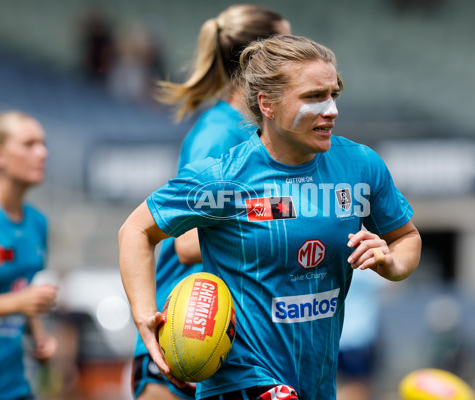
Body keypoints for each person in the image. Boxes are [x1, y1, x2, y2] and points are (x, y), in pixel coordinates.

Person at [119, 35, 422, 400]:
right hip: (243, 379)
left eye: (333, 95)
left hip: (316, 380)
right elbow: (136, 229)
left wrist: (391, 263)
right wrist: (144, 316)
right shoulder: (225, 178)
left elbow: (406, 238)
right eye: (313, 97)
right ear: (268, 105)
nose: (331, 110)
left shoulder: (360, 166)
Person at [131, 5, 291, 400]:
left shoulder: (253, 134)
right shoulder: (218, 136)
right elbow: (186, 244)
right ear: (258, 59)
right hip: (186, 328)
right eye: (285, 45)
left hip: (220, 331)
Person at [0, 111, 58, 399]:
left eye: (43, 143)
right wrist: (21, 301)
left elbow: (23, 291)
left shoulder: (38, 223)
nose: (42, 152)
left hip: (15, 386)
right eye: (29, 144)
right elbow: (20, 298)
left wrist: (39, 336)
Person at [337, 269, 385, 400]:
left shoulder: (333, 266)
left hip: (333, 338)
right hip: (359, 339)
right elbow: (397, 280)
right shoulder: (368, 268)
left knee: (330, 385)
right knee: (359, 388)